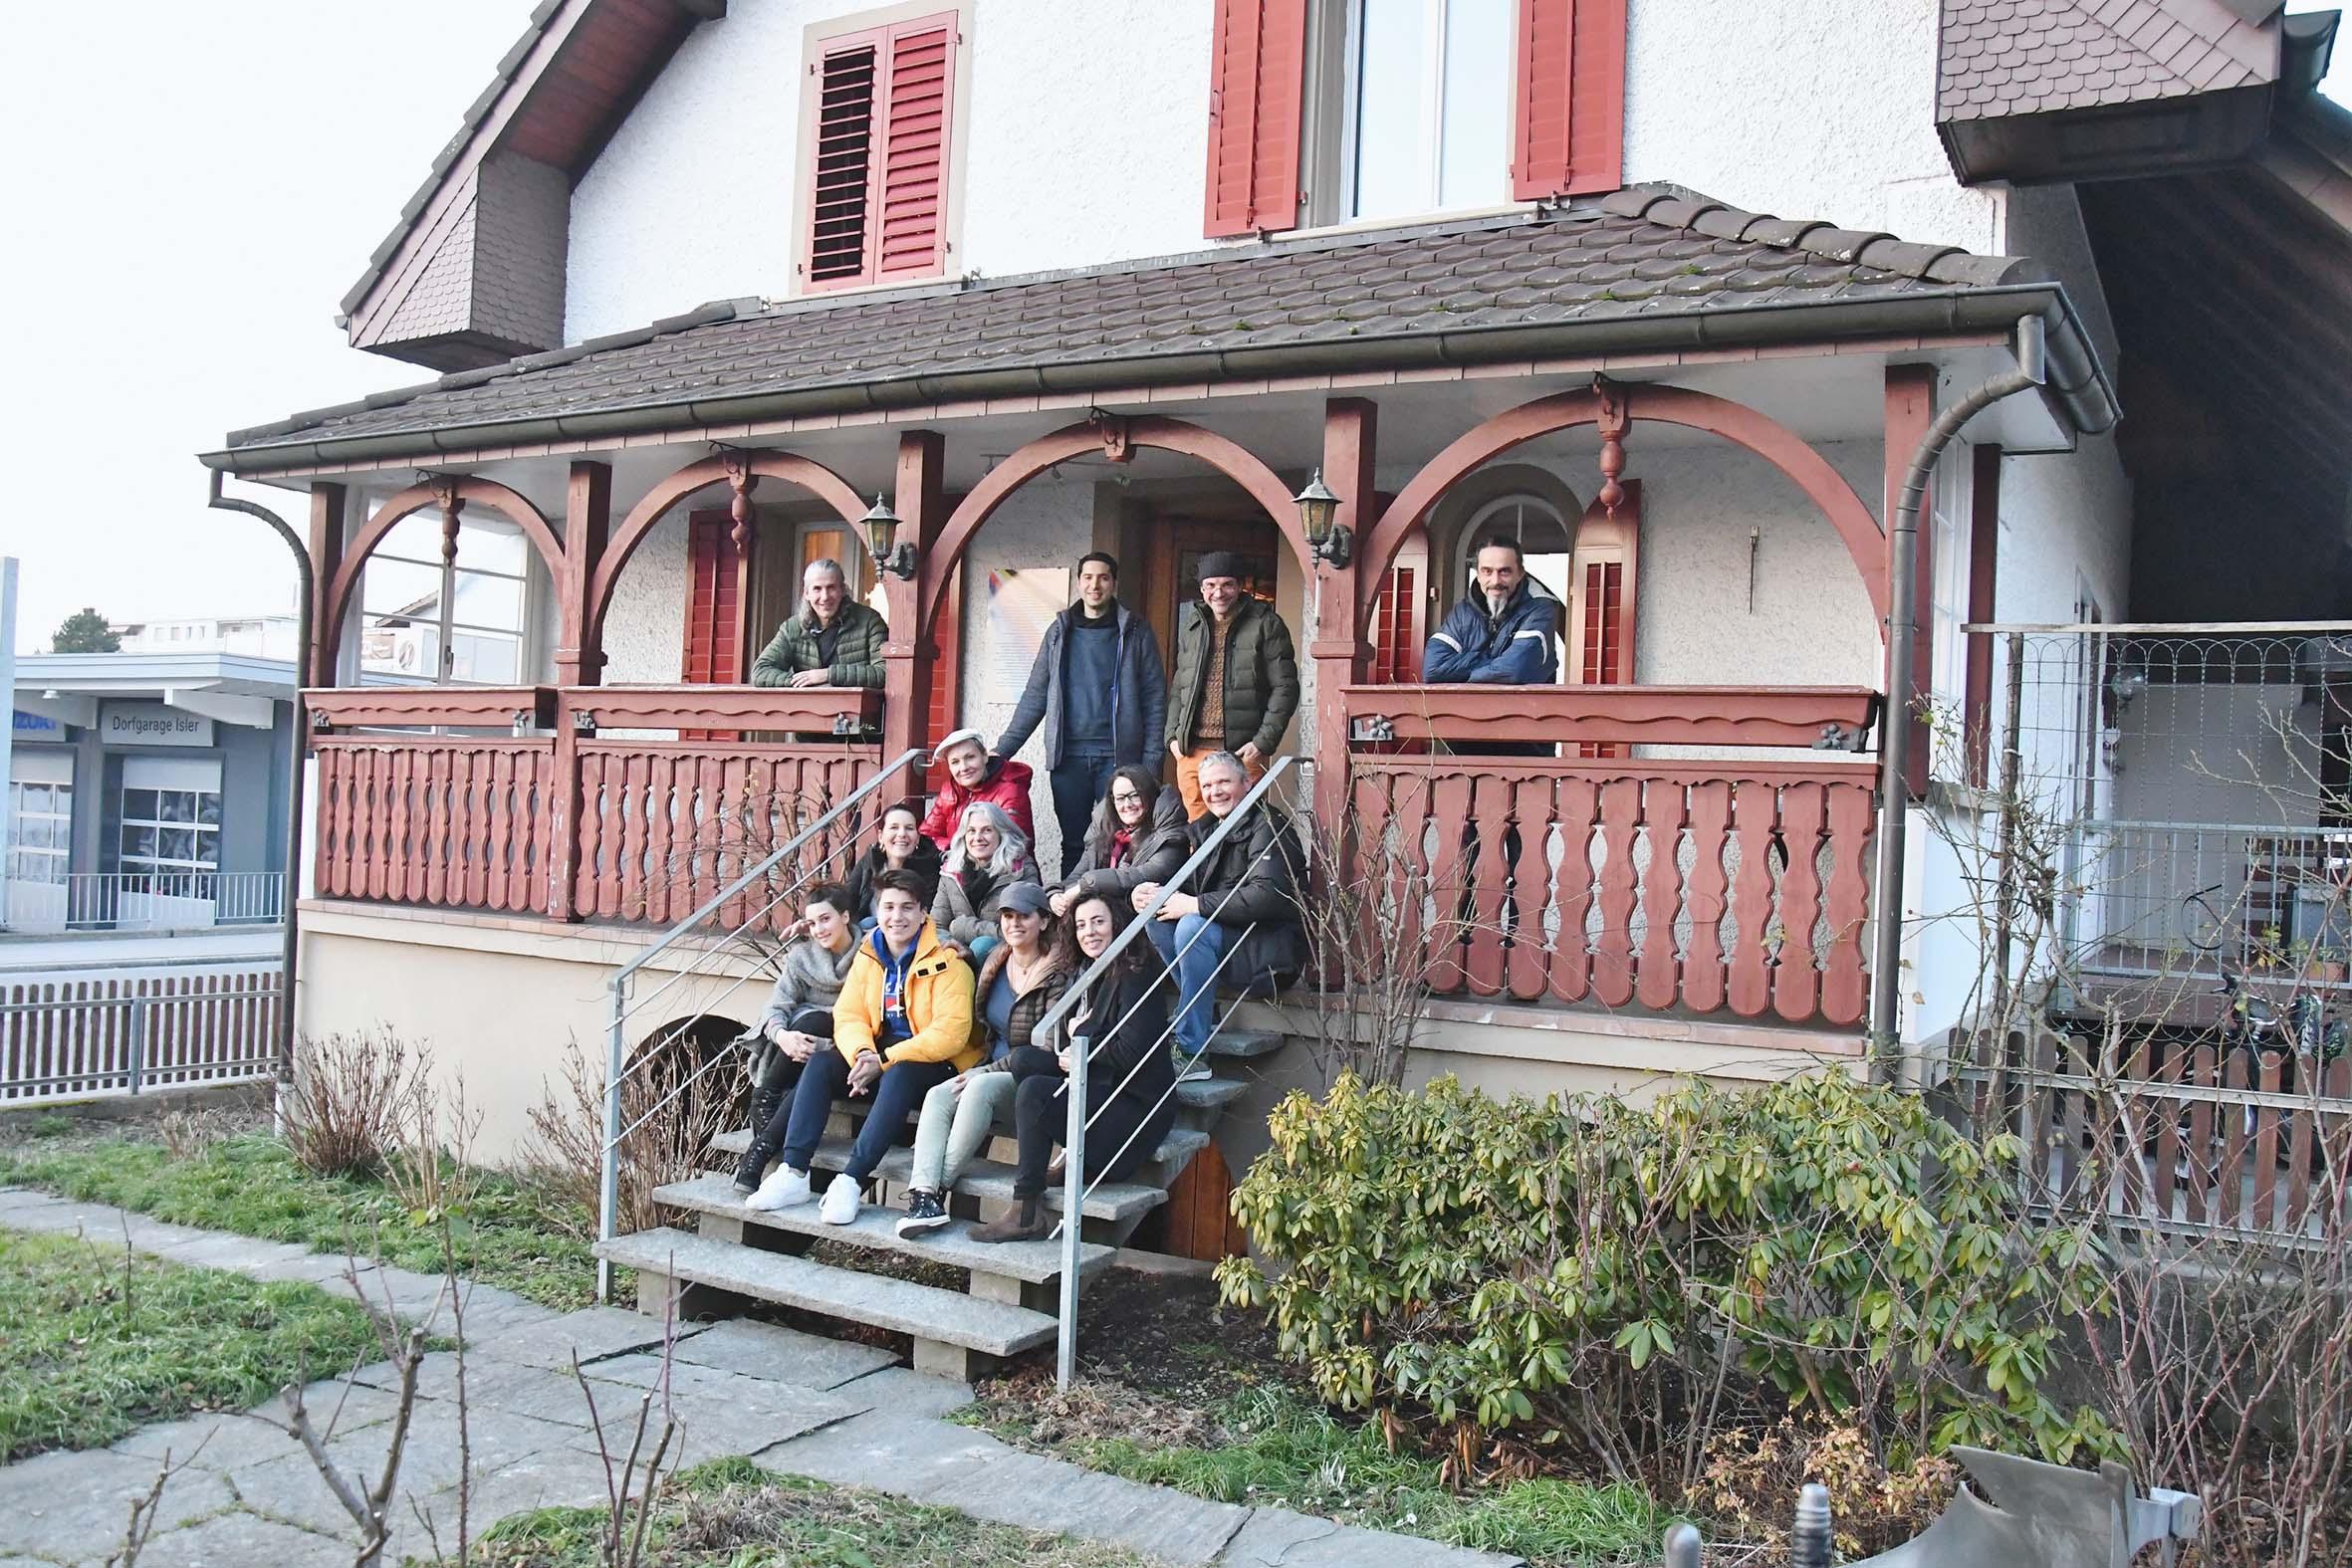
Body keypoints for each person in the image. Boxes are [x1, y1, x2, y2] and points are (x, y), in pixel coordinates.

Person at [743, 870, 982, 1227]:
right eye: (888, 907)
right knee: (824, 1064)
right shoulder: (870, 954)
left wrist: (882, 1060)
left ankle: (851, 1181)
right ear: (878, 909)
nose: (896, 917)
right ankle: (793, 1172)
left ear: (922, 913)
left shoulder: (948, 961)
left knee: (900, 1073)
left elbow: (949, 1035)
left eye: (906, 908)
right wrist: (863, 1055)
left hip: (936, 1064)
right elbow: (849, 1014)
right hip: (879, 1054)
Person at [971, 889, 1176, 1243]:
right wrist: (1076, 1049)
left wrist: (1082, 1047)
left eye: (1098, 922)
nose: (1089, 932)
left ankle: (1026, 1210)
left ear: (1117, 924)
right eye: (1081, 925)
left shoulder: (1135, 973)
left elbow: (1130, 1051)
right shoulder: (1090, 972)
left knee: (1035, 1092)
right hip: (1102, 1085)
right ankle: (1067, 1161)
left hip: (1133, 1105)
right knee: (1024, 1060)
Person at [894, 881, 1074, 1236]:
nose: (1014, 924)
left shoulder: (1059, 972)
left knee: (978, 1090)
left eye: (1024, 915)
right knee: (937, 1095)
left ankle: (939, 1187)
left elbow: (1048, 1046)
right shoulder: (995, 959)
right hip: (989, 1064)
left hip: (1028, 1078)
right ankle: (923, 1194)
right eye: (1007, 916)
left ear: (1043, 921)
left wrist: (984, 1073)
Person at [994, 552, 1169, 875]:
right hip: (1069, 759)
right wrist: (1001, 752)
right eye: (1088, 577)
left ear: (1113, 583)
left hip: (1119, 760)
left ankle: (1114, 918)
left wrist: (1151, 763)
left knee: (1121, 841)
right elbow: (1035, 696)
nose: (1095, 585)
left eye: (1103, 577)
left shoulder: (1135, 632)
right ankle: (1069, 919)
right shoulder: (1059, 632)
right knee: (1073, 844)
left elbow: (1155, 700)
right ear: (1079, 583)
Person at [1133, 751, 1305, 1075]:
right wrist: (1149, 892)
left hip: (1269, 955)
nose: (1215, 792)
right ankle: (1200, 1012)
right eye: (1208, 785)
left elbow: (1268, 895)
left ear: (1248, 782)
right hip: (1231, 944)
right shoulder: (1206, 829)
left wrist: (1195, 905)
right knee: (1159, 918)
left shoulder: (1270, 827)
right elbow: (1188, 884)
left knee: (1191, 927)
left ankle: (1190, 1051)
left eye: (1224, 781)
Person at [729, 882, 862, 1194]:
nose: (818, 930)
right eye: (812, 923)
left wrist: (826, 1045)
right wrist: (782, 1036)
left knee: (817, 1024)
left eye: (826, 919)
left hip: (845, 1040)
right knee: (809, 1022)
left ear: (846, 916)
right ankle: (766, 1096)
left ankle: (758, 1149)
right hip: (796, 1046)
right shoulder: (801, 956)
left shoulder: (869, 952)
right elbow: (776, 1005)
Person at [1165, 553, 1298, 819]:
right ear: (1202, 589)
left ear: (1240, 586)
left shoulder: (1266, 623)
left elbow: (1286, 687)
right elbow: (1179, 688)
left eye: (1227, 584)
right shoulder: (1192, 626)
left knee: (1242, 829)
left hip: (1241, 751)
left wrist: (1263, 742)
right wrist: (1172, 738)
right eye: (1211, 585)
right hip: (1192, 751)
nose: (1219, 592)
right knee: (1197, 833)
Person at [1423, 535, 1562, 757]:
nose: (1495, 580)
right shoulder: (1463, 612)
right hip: (1468, 745)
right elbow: (1432, 669)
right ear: (1478, 574)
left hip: (1526, 749)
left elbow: (1514, 671)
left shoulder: (1540, 608)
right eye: (1487, 571)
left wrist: (1462, 672)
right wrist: (1489, 662)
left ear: (1520, 573)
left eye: (1504, 571)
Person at [1053, 764, 1188, 919]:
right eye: (1120, 798)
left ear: (1149, 795)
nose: (1127, 805)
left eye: (1135, 795)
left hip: (1146, 918)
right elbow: (1077, 875)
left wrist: (1087, 885)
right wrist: (1055, 894)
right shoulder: (1106, 830)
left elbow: (1143, 874)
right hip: (1104, 916)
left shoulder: (1169, 830)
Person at [751, 559, 888, 694]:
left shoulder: (870, 621)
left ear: (843, 590)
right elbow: (761, 671)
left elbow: (885, 672)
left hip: (858, 713)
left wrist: (828, 675)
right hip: (809, 713)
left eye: (831, 587)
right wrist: (806, 682)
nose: (825, 597)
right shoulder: (792, 628)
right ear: (806, 594)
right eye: (817, 589)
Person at [931, 801, 1043, 962]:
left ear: (1000, 833)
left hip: (1007, 954)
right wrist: (956, 946)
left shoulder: (1021, 870)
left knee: (982, 946)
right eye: (971, 831)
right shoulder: (951, 871)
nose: (977, 838)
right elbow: (937, 926)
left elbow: (1024, 927)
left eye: (987, 830)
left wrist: (965, 928)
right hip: (959, 957)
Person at [919, 728, 1036, 853]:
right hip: (954, 866)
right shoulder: (949, 790)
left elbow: (1010, 845)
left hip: (1004, 869)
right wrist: (951, 850)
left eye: (970, 757)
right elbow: (927, 836)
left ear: (985, 756)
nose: (963, 767)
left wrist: (952, 848)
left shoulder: (1010, 791)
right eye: (955, 762)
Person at [843, 799, 944, 920]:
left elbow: (926, 917)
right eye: (894, 827)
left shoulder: (930, 868)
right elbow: (846, 902)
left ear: (917, 838)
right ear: (881, 836)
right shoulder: (871, 859)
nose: (902, 834)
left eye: (909, 828)